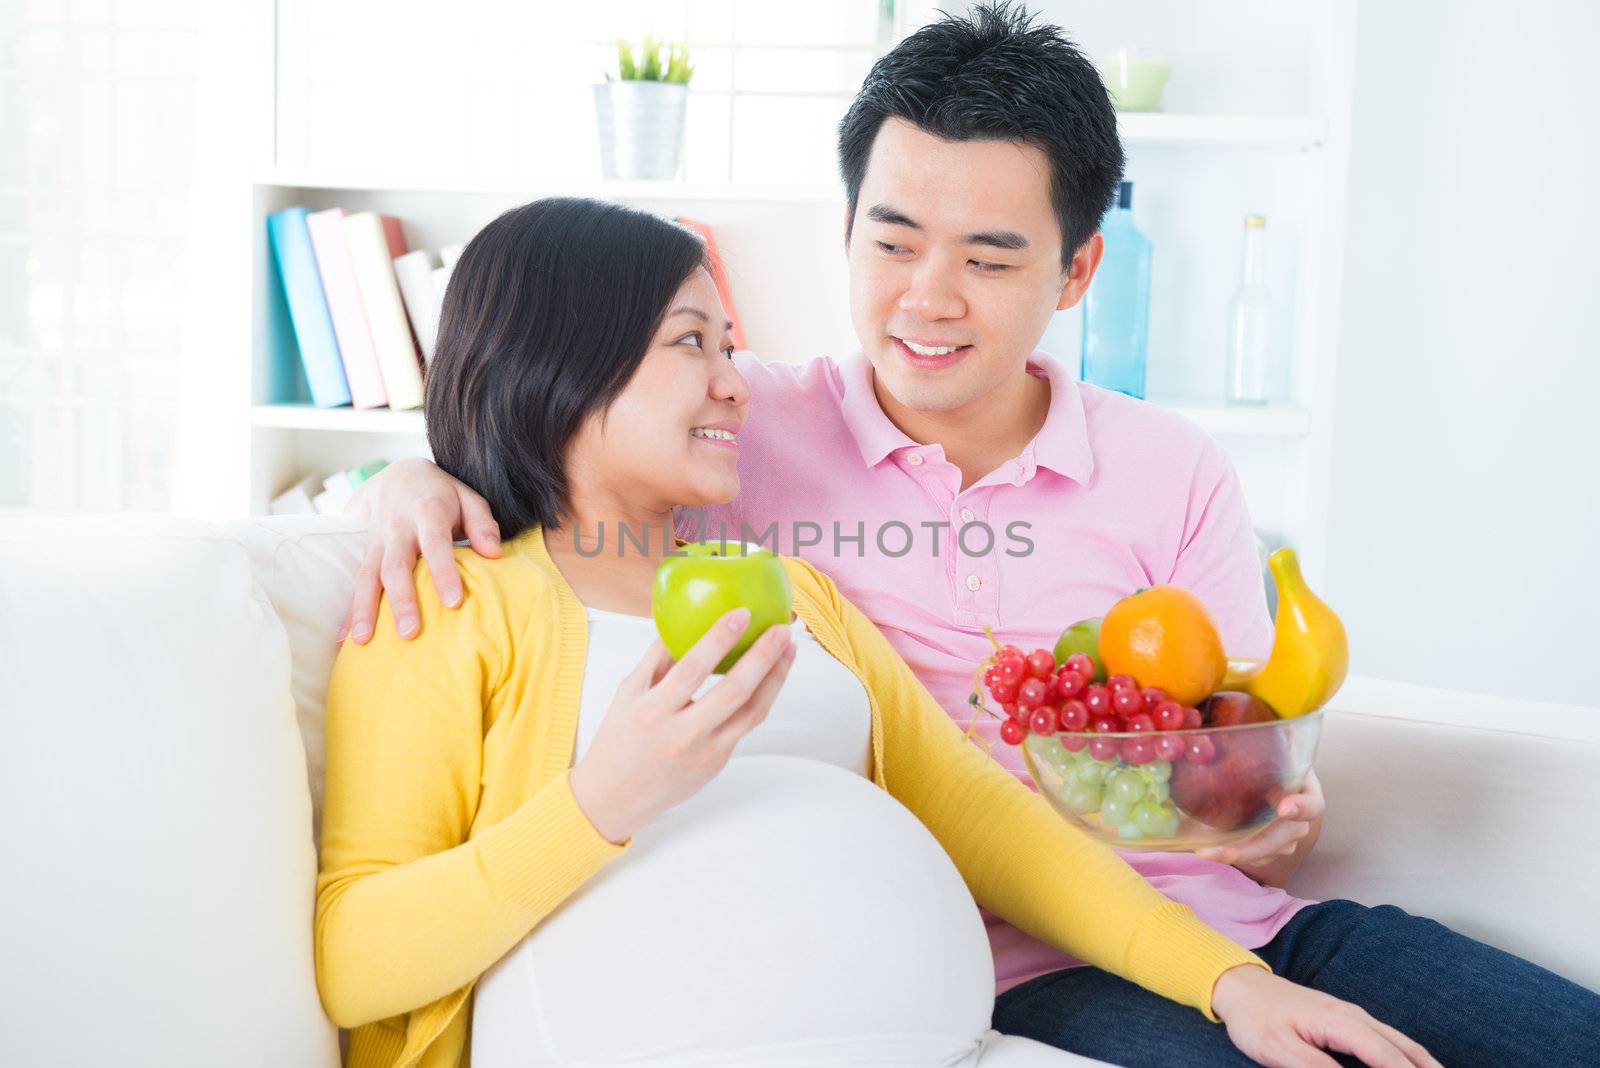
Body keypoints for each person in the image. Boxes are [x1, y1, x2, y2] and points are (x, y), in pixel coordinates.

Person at [341, 6, 1600, 1066]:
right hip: (1000, 963)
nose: (926, 298)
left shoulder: (1166, 473)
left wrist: (1256, 810)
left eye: (990, 260)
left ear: (1076, 271)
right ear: (845, 234)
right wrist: (409, 478)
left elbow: (1226, 750)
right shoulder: (735, 436)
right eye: (891, 242)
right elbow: (550, 410)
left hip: (1227, 926)